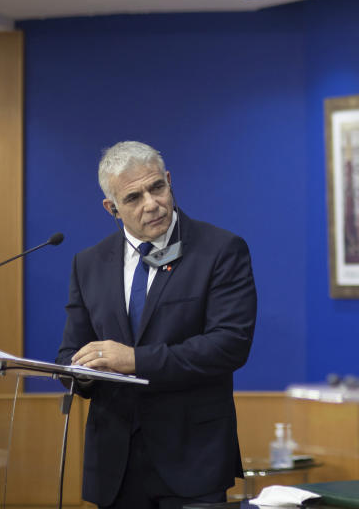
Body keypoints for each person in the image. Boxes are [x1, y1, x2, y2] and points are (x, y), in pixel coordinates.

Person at [57, 141, 258, 509]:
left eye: (157, 188)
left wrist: (134, 360)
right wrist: (80, 372)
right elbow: (71, 350)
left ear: (169, 181)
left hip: (192, 459)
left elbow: (229, 345)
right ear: (111, 208)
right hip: (115, 464)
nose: (151, 204)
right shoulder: (88, 264)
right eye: (133, 197)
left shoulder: (220, 250)